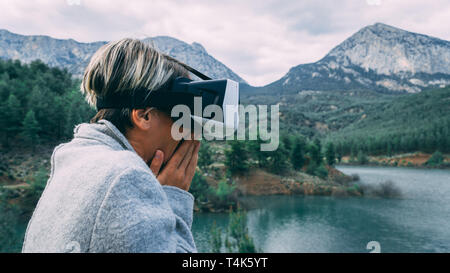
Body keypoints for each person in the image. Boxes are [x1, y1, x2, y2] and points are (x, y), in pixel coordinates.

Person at [22, 38, 200, 253]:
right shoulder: (125, 174)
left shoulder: (73, 157)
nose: (186, 132)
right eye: (181, 119)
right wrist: (172, 198)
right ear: (144, 115)